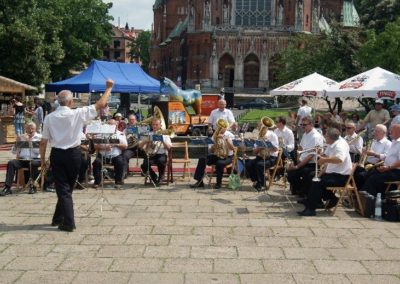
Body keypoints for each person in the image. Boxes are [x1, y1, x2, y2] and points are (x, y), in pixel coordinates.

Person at [39, 79, 114, 232]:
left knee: (64, 189)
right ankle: (58, 218)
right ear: (71, 102)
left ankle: (68, 222)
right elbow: (100, 105)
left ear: (59, 102)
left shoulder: (49, 118)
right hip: (74, 154)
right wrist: (108, 88)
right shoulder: (77, 114)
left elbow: (43, 142)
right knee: (67, 188)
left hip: (58, 154)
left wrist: (42, 160)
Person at [298, 128, 352, 216]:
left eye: (326, 136)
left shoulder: (339, 146)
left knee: (317, 183)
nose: (324, 137)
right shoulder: (332, 143)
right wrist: (317, 153)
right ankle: (328, 199)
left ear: (330, 137)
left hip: (340, 176)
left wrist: (324, 160)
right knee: (311, 176)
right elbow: (325, 155)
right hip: (332, 173)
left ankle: (311, 209)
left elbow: (339, 159)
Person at [191, 119, 235, 189]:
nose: (219, 129)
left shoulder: (230, 135)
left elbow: (233, 148)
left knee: (219, 163)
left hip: (228, 157)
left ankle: (218, 183)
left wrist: (225, 139)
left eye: (221, 127)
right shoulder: (215, 135)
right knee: (202, 158)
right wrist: (214, 146)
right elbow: (210, 150)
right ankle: (199, 181)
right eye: (218, 127)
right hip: (217, 155)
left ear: (225, 127)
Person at [1, 122, 42, 196]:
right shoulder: (22, 137)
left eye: (32, 128)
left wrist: (29, 142)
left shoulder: (39, 137)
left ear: (35, 129)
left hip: (35, 159)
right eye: (29, 128)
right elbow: (14, 152)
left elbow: (38, 152)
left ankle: (33, 186)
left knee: (32, 163)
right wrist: (16, 143)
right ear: (26, 129)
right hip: (23, 159)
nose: (30, 130)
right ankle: (7, 187)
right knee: (11, 163)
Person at [287, 116, 324, 196]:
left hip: (312, 164)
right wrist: (297, 160)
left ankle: (304, 192)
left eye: (304, 125)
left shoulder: (315, 137)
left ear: (311, 124)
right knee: (290, 174)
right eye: (301, 124)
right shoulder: (306, 134)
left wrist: (297, 166)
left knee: (304, 173)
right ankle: (301, 191)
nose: (302, 126)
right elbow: (300, 148)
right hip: (303, 161)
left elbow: (310, 156)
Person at [360, 124, 400, 197]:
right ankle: (363, 198)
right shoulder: (394, 142)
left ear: (398, 131)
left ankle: (368, 201)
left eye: (392, 130)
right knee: (366, 175)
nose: (390, 132)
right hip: (388, 168)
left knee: (373, 179)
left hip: (396, 171)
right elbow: (388, 157)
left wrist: (388, 167)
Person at [354, 124, 392, 190]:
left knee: (360, 175)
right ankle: (355, 193)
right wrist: (363, 151)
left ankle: (359, 193)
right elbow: (366, 153)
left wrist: (374, 154)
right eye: (375, 131)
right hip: (366, 164)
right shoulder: (373, 141)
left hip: (376, 166)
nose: (375, 133)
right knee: (352, 171)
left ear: (384, 133)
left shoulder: (388, 143)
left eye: (377, 131)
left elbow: (387, 157)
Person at [92, 119, 127, 188]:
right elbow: (95, 146)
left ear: (116, 126)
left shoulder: (120, 134)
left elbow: (125, 146)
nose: (111, 126)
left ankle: (118, 181)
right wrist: (104, 147)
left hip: (116, 155)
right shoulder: (101, 134)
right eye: (109, 125)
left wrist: (116, 144)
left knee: (120, 162)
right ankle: (97, 181)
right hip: (103, 155)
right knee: (96, 163)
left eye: (113, 125)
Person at [245, 119, 279, 191]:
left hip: (271, 157)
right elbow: (254, 152)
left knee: (259, 165)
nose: (260, 127)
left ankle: (262, 184)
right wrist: (259, 148)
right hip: (260, 157)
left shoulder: (273, 135)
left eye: (262, 125)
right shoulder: (259, 136)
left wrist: (267, 148)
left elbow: (276, 149)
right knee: (248, 163)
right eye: (259, 125)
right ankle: (256, 181)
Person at [139, 118, 172, 185]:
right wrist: (146, 141)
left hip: (161, 154)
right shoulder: (148, 134)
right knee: (144, 165)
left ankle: (161, 176)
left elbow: (169, 148)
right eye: (153, 125)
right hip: (151, 154)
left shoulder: (165, 134)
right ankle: (154, 176)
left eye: (156, 125)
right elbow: (140, 147)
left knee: (161, 161)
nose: (154, 126)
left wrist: (162, 140)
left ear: (160, 126)